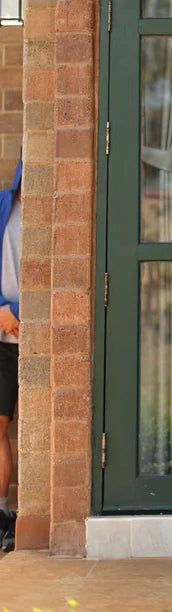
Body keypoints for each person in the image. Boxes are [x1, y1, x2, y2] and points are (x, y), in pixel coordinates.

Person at [0, 157, 21, 553]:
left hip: (43, 337)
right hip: (3, 337)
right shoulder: (4, 204)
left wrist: (20, 310)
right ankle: (2, 513)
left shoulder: (56, 205)